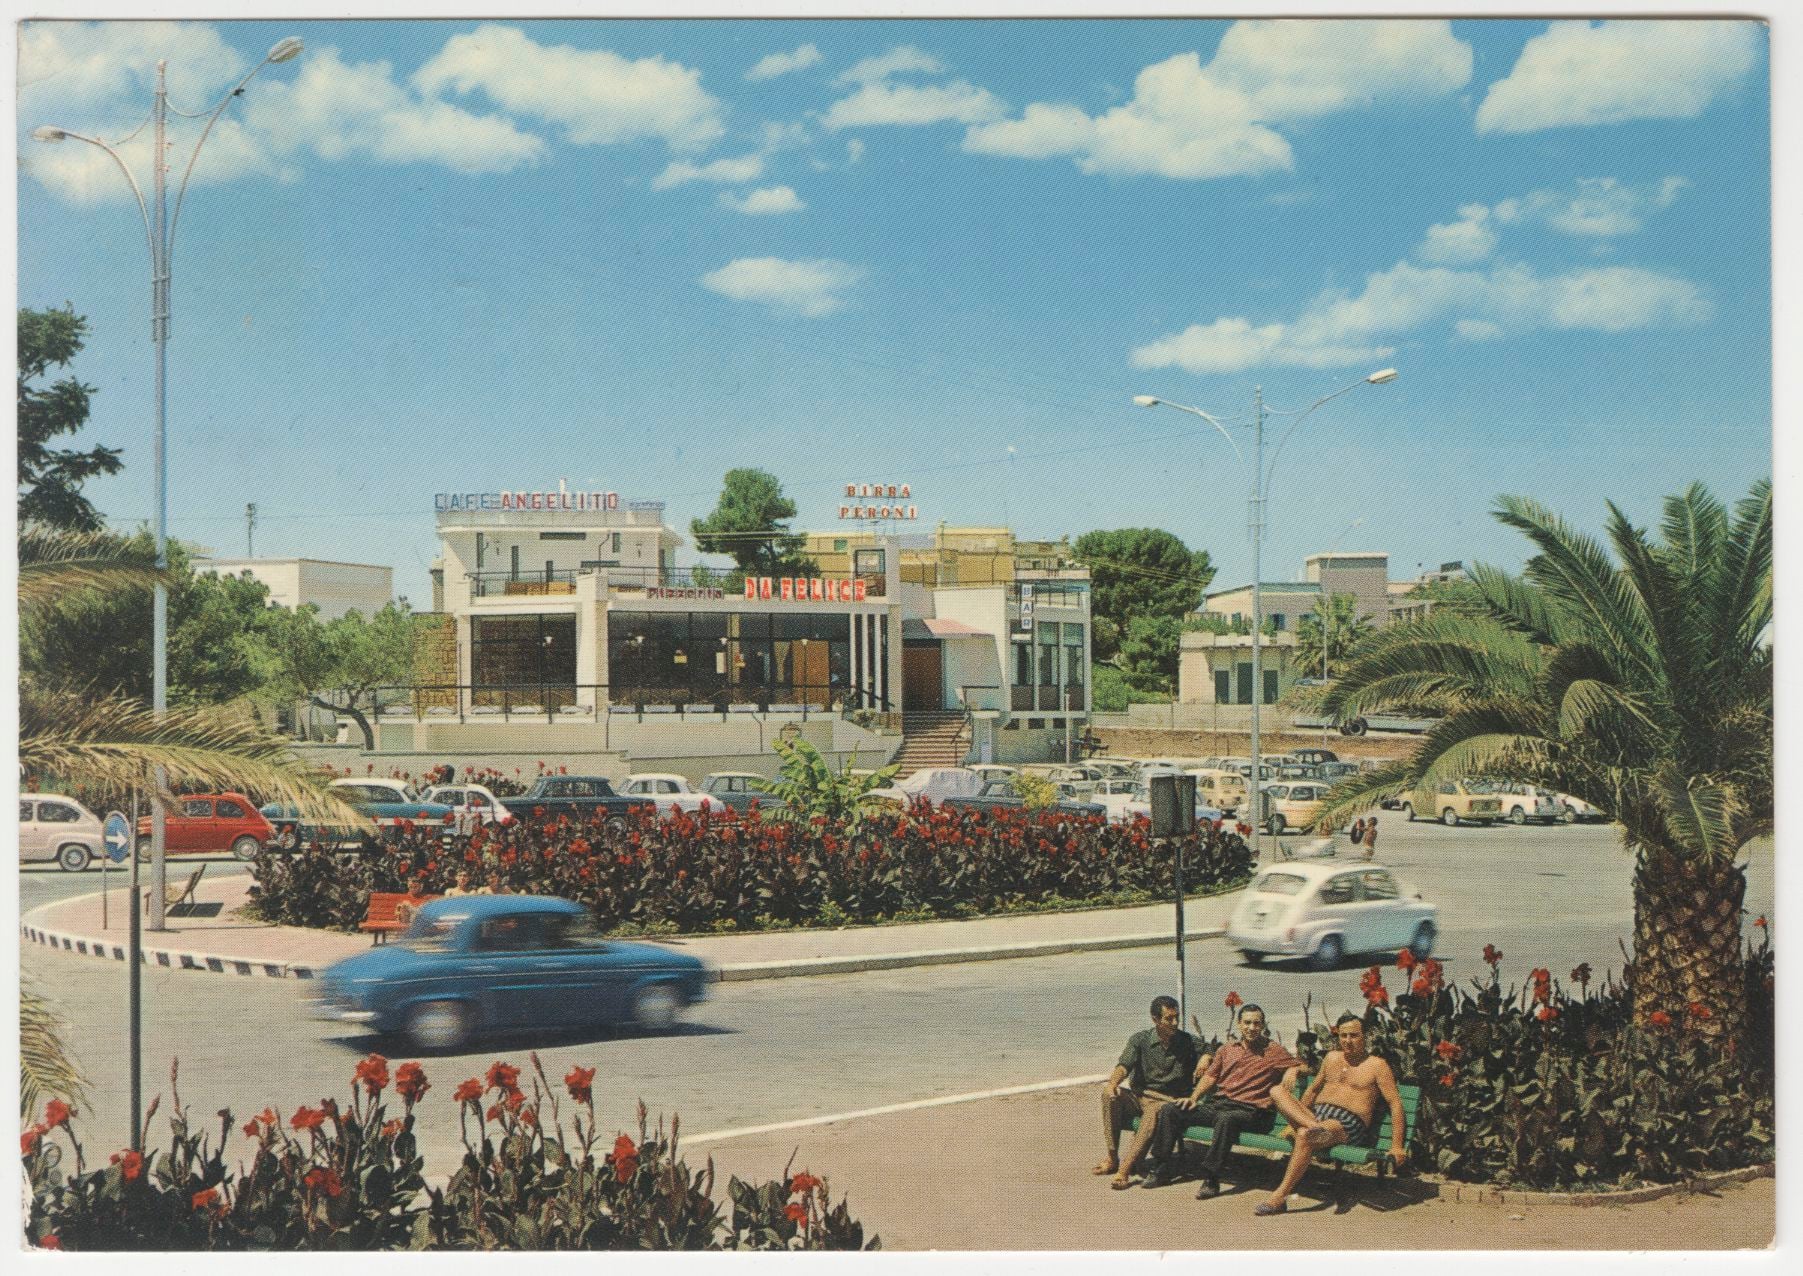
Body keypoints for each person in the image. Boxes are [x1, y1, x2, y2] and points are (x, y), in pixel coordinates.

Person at [1141, 1004, 1303, 1196]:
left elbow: (1304, 1065)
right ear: (1239, 1024)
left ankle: (1211, 1178)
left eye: (1256, 1023)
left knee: (1226, 1119)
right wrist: (1194, 1098)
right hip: (1220, 1105)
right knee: (1171, 1110)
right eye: (1247, 1023)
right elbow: (1211, 1076)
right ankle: (1160, 1167)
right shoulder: (1227, 1049)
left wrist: (1294, 1070)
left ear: (1262, 1025)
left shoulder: (1273, 1050)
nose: (1251, 1028)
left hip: (1254, 1113)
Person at [1255, 1014, 1406, 1215]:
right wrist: (1296, 1119)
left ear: (1365, 1036)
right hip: (1317, 1117)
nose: (1348, 1041)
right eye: (1343, 1036)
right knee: (1276, 1091)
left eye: (1354, 1035)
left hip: (1346, 1123)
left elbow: (1394, 1103)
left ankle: (1279, 1197)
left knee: (1304, 1135)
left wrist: (1396, 1146)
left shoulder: (1377, 1065)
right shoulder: (1331, 1058)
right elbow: (1313, 1090)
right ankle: (1312, 1125)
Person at [1095, 996, 1202, 1190]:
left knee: (1153, 1111)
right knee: (1108, 1095)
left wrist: (1206, 1058)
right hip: (1139, 1096)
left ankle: (1124, 1170)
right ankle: (1112, 1157)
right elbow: (1124, 1065)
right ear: (1155, 1019)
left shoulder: (1186, 1041)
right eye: (1169, 1019)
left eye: (1177, 1017)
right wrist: (1113, 1084)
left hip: (1167, 1100)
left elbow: (1210, 1048)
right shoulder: (1140, 1039)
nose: (1175, 1023)